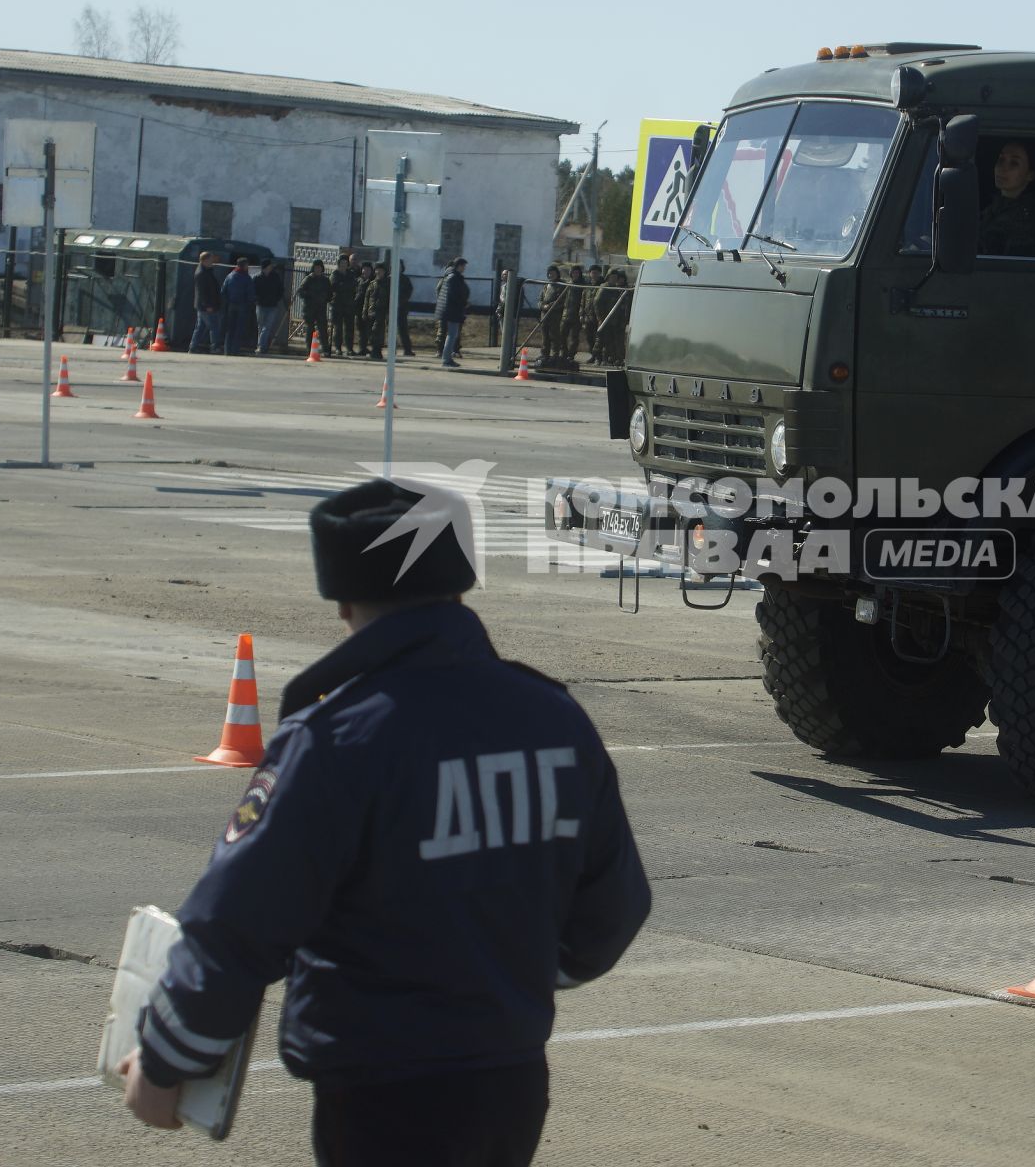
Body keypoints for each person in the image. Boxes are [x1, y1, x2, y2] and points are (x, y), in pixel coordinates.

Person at [117, 477, 651, 1165]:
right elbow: (614, 907)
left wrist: (166, 1059)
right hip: (511, 1083)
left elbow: (239, 926)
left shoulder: (337, 740)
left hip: (383, 1094)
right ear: (461, 584)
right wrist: (503, 983)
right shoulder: (553, 717)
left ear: (342, 599)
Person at [978, 141, 1035, 257]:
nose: (1002, 168)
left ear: (1030, 175)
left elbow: (1010, 267)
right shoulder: (992, 207)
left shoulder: (1028, 218)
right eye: (1001, 159)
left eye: (1014, 163)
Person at [435, 256, 470, 367]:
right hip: (452, 310)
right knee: (452, 335)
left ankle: (447, 358)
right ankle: (447, 359)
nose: (464, 268)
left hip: (449, 310)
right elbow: (454, 295)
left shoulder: (451, 277)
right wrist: (464, 303)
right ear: (459, 266)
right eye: (463, 266)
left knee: (452, 334)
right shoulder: (454, 278)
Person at [188, 252, 223, 354]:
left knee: (201, 327)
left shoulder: (207, 271)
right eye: (210, 259)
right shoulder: (202, 273)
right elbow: (201, 291)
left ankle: (193, 346)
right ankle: (215, 347)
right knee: (214, 326)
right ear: (204, 260)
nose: (212, 261)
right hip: (206, 306)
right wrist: (207, 305)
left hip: (204, 305)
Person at [221, 257, 257, 355]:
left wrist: (227, 302)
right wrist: (250, 303)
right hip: (243, 306)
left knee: (230, 329)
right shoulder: (246, 278)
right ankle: (234, 350)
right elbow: (251, 294)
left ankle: (227, 350)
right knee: (239, 329)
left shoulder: (230, 276)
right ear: (245, 266)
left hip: (231, 306)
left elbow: (223, 291)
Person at [297, 260, 333, 355]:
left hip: (321, 308)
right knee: (310, 330)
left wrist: (325, 298)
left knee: (323, 330)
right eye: (316, 267)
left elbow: (330, 293)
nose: (318, 269)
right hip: (309, 308)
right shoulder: (308, 279)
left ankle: (325, 349)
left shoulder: (325, 280)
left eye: (319, 267)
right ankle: (310, 350)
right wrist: (310, 295)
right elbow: (300, 292)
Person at [254, 258, 287, 354]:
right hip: (261, 305)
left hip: (272, 305)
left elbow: (280, 289)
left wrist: (276, 298)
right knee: (261, 327)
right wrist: (256, 300)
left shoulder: (275, 277)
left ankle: (261, 346)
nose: (271, 267)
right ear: (265, 267)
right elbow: (253, 291)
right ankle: (261, 346)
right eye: (269, 266)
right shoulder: (257, 278)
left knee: (267, 327)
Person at [330, 255, 360, 356]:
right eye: (342, 263)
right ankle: (338, 348)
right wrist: (345, 286)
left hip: (349, 304)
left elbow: (354, 286)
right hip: (337, 304)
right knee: (338, 328)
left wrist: (344, 286)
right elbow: (334, 286)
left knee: (349, 328)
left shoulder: (350, 274)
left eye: (345, 263)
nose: (344, 265)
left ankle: (349, 348)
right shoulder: (335, 274)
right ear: (339, 264)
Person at [536, 265, 566, 365]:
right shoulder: (546, 286)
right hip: (544, 315)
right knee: (545, 335)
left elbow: (561, 301)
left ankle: (555, 354)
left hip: (555, 315)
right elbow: (540, 300)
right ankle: (545, 353)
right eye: (549, 273)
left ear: (557, 274)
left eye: (553, 273)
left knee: (554, 335)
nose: (550, 275)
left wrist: (551, 306)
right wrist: (543, 306)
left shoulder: (561, 286)